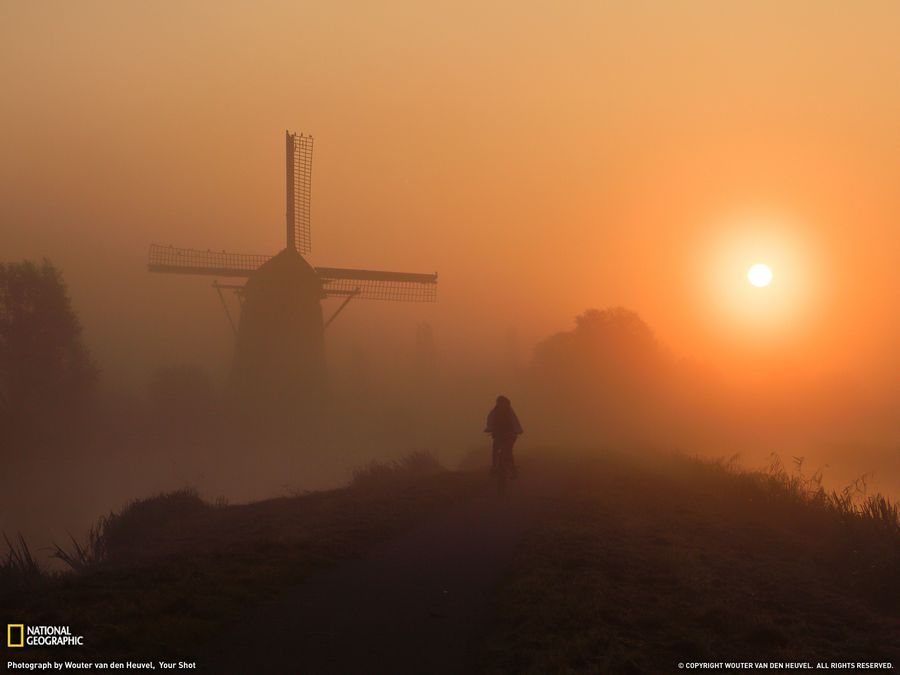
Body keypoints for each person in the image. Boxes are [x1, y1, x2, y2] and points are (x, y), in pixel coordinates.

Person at [484, 395, 523, 477]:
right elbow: (490, 420)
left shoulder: (509, 412)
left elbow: (515, 421)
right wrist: (489, 428)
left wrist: (518, 430)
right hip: (499, 434)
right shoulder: (495, 411)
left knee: (507, 451)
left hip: (509, 435)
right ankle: (494, 467)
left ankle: (513, 470)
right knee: (495, 449)